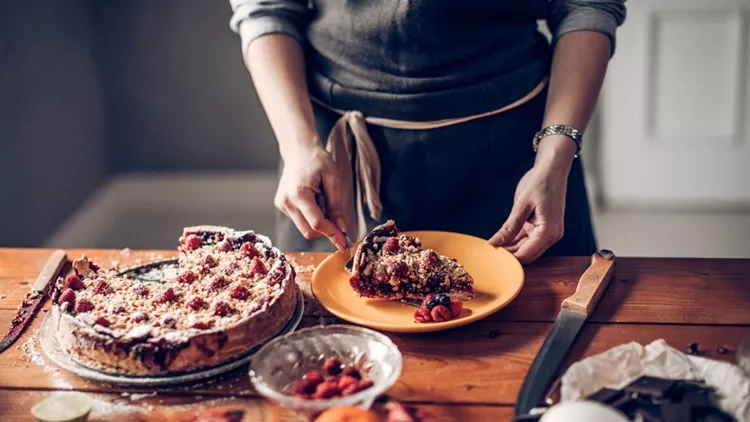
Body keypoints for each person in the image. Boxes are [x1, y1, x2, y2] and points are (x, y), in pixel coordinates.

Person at [228, 1, 626, 264]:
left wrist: (555, 157)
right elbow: (267, 9)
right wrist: (299, 147)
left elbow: (585, 5)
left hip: (518, 151)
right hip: (333, 157)